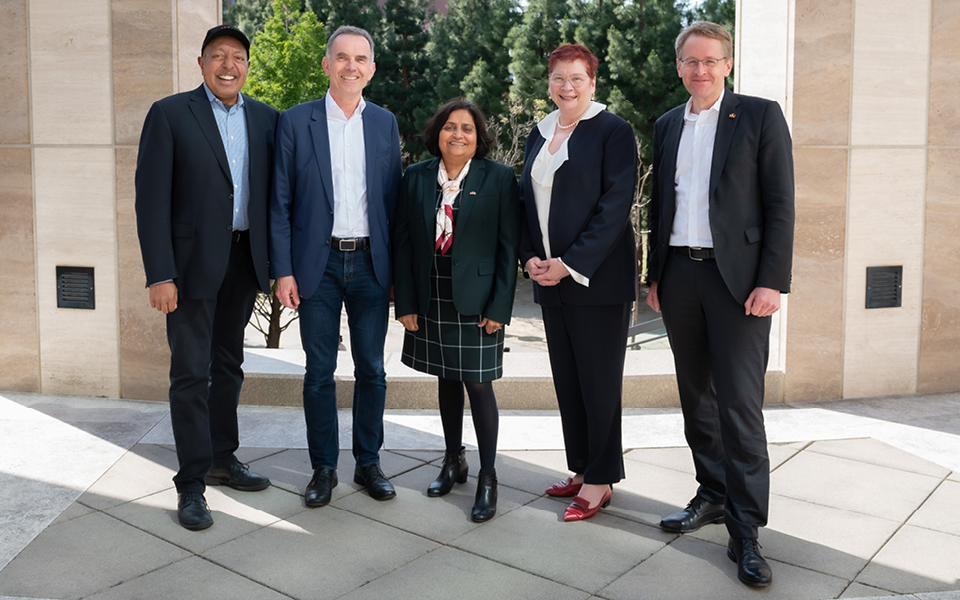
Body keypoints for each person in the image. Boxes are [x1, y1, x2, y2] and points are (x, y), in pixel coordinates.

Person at [645, 21, 795, 587]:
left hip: (739, 283)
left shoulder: (758, 115)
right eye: (691, 62)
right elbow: (661, 204)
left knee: (739, 407)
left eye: (711, 61)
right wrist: (655, 275)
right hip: (680, 276)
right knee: (696, 398)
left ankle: (747, 531)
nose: (700, 71)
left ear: (727, 65)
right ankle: (711, 493)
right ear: (679, 66)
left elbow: (781, 204)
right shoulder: (666, 125)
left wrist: (771, 282)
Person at [135, 25, 278, 531]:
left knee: (230, 366)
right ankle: (191, 484)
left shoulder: (267, 119)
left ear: (246, 65)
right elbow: (150, 201)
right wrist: (161, 274)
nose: (227, 65)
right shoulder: (170, 114)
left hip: (244, 262)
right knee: (191, 373)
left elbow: (275, 198)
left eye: (237, 57)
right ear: (201, 64)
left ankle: (223, 458)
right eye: (217, 56)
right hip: (190, 267)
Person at [270, 26, 402, 508]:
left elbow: (394, 201)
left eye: (360, 58)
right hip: (316, 265)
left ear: (371, 68)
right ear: (327, 65)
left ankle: (368, 463)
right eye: (342, 57)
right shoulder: (295, 121)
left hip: (371, 263)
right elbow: (280, 202)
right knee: (319, 371)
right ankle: (323, 468)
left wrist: (397, 275)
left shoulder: (385, 122)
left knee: (372, 369)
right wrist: (283, 271)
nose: (351, 66)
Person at [518, 44, 638, 522]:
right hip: (549, 279)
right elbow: (526, 202)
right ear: (549, 81)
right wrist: (530, 256)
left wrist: (569, 262)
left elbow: (615, 208)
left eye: (576, 78)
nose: (566, 86)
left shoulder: (613, 131)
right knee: (568, 381)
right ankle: (583, 467)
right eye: (558, 78)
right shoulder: (539, 131)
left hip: (596, 281)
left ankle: (601, 480)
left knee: (599, 382)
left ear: (593, 81)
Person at [393, 100, 520, 522]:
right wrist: (406, 302)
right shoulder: (416, 177)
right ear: (438, 132)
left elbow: (508, 247)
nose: (458, 135)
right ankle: (453, 461)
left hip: (478, 297)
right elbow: (405, 242)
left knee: (478, 384)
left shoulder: (499, 177)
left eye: (467, 128)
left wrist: (500, 305)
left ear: (478, 136)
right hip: (432, 292)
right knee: (446, 376)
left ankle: (488, 477)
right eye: (450, 127)